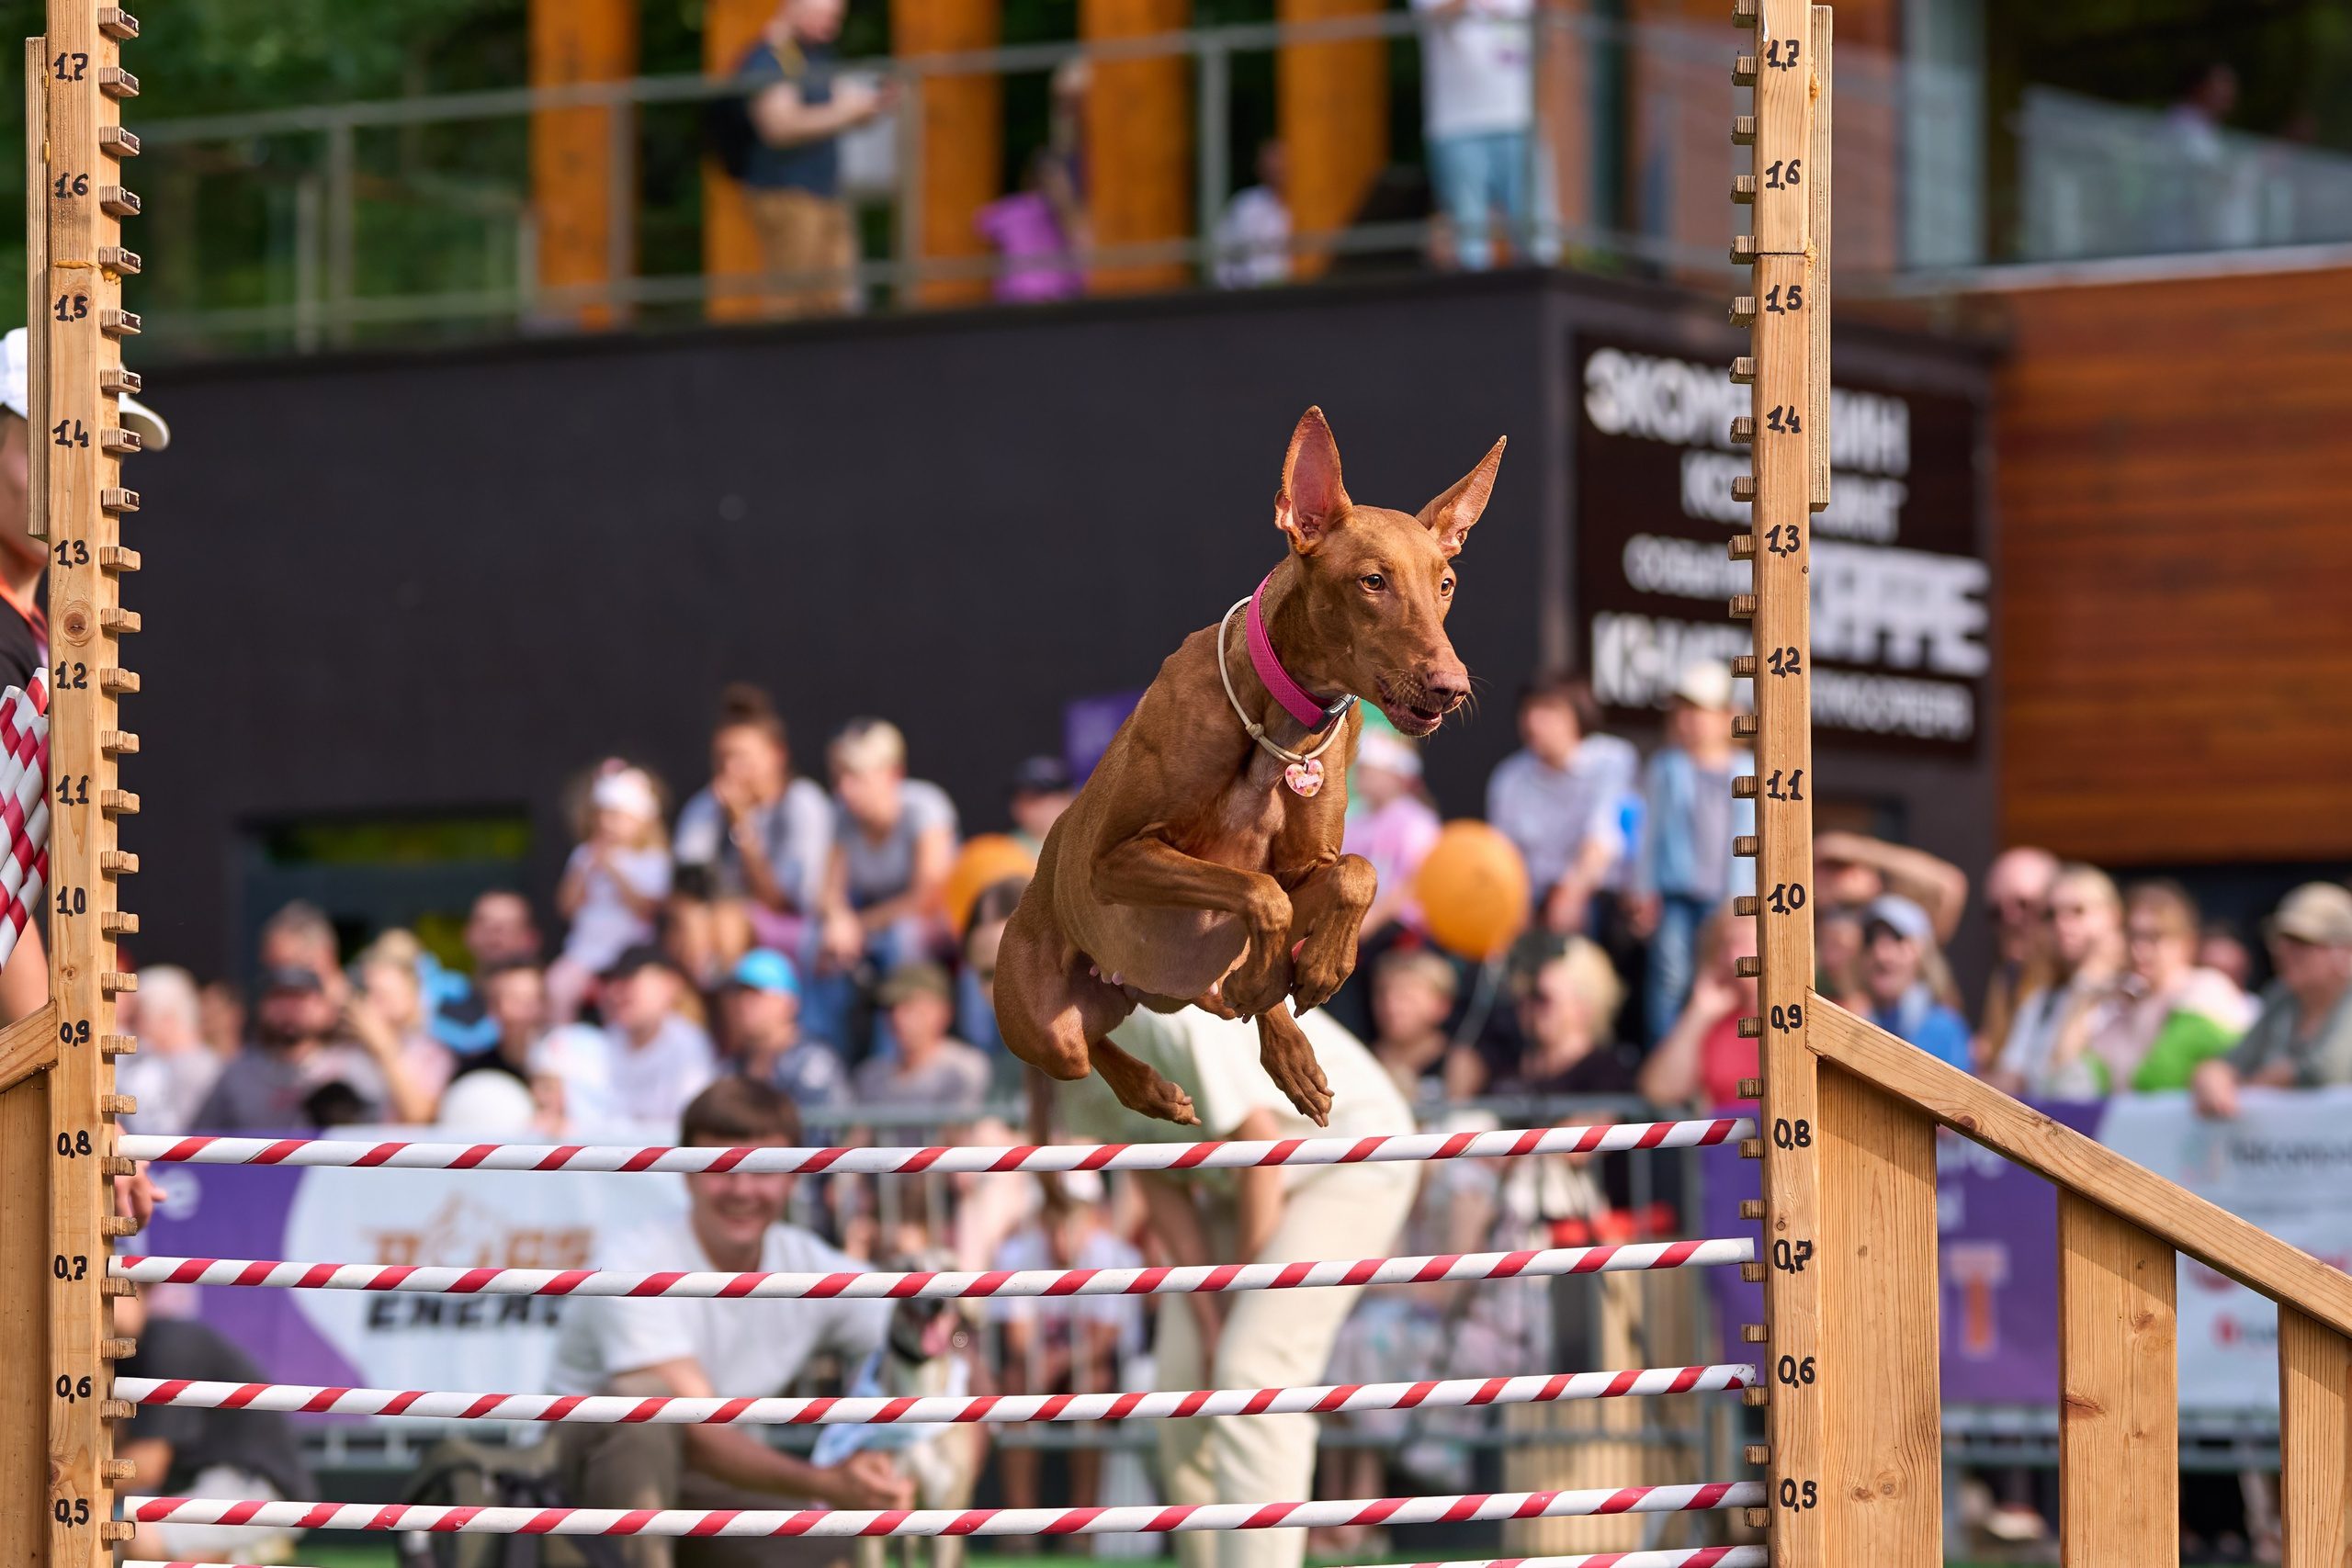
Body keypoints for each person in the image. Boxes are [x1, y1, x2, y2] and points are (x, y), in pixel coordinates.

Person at [1051, 1004, 1416, 1568]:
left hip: (1351, 1154)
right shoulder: (1066, 1039)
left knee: (1252, 1375)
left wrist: (1239, 1302)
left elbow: (1260, 1149)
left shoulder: (1174, 1017)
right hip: (1239, 1179)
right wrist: (1209, 1316)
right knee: (1181, 1387)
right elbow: (1153, 1172)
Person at [549, 1078, 914, 1568]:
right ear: (686, 1174)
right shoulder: (631, 1262)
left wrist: (958, 1351)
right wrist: (828, 1483)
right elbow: (698, 1429)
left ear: (793, 1178)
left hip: (711, 1486)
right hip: (573, 1491)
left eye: (763, 1170)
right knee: (643, 1405)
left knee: (830, 1551)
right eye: (721, 1168)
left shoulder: (806, 1262)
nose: (742, 1188)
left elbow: (933, 1330)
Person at [0, 327, 166, 1023]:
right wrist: (51, 1057)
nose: (84, 477)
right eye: (56, 446)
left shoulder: (39, 632)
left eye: (104, 452)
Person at [115, 1286, 314, 1566]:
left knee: (130, 1536)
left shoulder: (170, 1346)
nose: (99, 1305)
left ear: (141, 1291)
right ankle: (240, 1555)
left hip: (255, 1486)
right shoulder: (121, 1355)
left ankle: (246, 1551)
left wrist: (65, 1484)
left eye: (112, 1292)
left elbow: (147, 1464)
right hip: (203, 1484)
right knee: (118, 1532)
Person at [988, 1168, 1144, 1515]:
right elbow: (1019, 1340)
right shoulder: (1017, 1255)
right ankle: (1019, 1525)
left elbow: (1104, 1344)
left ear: (1091, 1217)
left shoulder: (1112, 1258)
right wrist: (1044, 1362)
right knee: (1016, 1386)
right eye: (1055, 1214)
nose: (1062, 1232)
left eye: (1071, 1214)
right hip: (1046, 1366)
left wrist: (1056, 1362)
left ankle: (1082, 1523)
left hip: (1086, 1370)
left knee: (1094, 1385)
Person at [730, 0, 895, 318]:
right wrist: (845, 113)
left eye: (836, 18)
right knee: (792, 304)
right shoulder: (770, 57)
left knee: (833, 302)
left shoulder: (813, 55)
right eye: (823, 16)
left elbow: (838, 105)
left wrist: (870, 106)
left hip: (826, 191)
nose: (831, 27)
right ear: (793, 7)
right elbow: (779, 126)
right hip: (786, 193)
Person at [672, 684, 835, 988]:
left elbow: (783, 902)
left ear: (776, 755)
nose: (730, 770)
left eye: (741, 758)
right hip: (711, 930)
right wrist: (690, 917)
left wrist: (742, 827)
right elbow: (685, 884)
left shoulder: (803, 803)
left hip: (793, 932)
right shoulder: (705, 806)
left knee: (729, 922)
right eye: (721, 759)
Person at [817, 717, 957, 1049]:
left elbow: (926, 897)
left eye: (857, 777)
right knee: (817, 941)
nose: (844, 789)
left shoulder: (926, 807)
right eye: (839, 778)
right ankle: (825, 1053)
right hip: (875, 927)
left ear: (893, 773)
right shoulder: (842, 814)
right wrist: (836, 919)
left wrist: (855, 925)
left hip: (935, 926)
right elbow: (829, 890)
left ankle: (890, 1055)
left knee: (903, 935)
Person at [1631, 661, 1753, 1043]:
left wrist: (1745, 902)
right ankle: (1666, 1057)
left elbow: (1751, 840)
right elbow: (1647, 833)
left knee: (1722, 980)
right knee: (1670, 976)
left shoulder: (1748, 768)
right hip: (1676, 895)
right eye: (1684, 711)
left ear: (1726, 716)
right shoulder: (1666, 767)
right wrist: (1642, 889)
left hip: (1728, 900)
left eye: (1700, 710)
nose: (1690, 720)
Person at [1486, 672, 1638, 941]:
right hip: (1530, 903)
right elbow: (1503, 854)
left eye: (1548, 711)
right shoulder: (1508, 777)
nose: (1534, 722)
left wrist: (1571, 893)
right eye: (1528, 710)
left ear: (1578, 716)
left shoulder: (1613, 760)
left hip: (1599, 902)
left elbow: (1603, 840)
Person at [2192, 884, 2352, 1119]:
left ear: (2345, 951)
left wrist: (2258, 1083)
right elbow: (2233, 1061)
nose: (2282, 950)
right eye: (2279, 939)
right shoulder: (2281, 997)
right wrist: (2212, 1074)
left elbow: (2326, 1072)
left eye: (2302, 941)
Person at [2083, 880, 2254, 1094]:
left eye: (2153, 937)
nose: (2139, 949)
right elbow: (2070, 1080)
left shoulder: (2205, 987)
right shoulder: (2124, 1006)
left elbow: (2158, 1079)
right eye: (2132, 936)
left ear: (2186, 941)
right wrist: (2086, 994)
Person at [533, 945, 718, 1141]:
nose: (616, 991)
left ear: (669, 985)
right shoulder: (600, 1043)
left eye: (630, 980)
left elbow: (685, 1129)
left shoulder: (688, 1045)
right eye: (612, 981)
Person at [191, 965, 404, 1130]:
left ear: (323, 1007)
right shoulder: (237, 1074)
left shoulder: (354, 1069)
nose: (290, 1008)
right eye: (280, 997)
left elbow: (380, 1136)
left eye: (300, 998)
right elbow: (200, 1142)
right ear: (263, 1006)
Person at [1409, 0, 1533, 270]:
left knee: (1531, 233)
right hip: (1456, 123)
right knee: (1469, 241)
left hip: (1517, 118)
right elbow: (1431, 15)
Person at [548, 761, 673, 1022]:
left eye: (616, 816)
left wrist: (613, 870)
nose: (606, 823)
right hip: (583, 953)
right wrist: (584, 872)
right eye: (602, 815)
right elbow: (566, 907)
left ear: (640, 821)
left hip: (629, 954)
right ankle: (562, 1045)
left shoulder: (653, 859)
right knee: (556, 987)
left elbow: (646, 908)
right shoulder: (583, 855)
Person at [1990, 863, 2123, 1100]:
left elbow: (2068, 1075)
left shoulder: (2134, 994)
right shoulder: (2041, 1002)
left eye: (2078, 911)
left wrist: (2092, 979)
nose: (2062, 924)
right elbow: (2010, 1078)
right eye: (2052, 915)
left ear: (2113, 916)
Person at [1486, 938, 1642, 1098]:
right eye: (1524, 996)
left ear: (1584, 1007)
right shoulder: (1506, 1066)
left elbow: (1599, 1118)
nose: (1529, 1006)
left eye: (1543, 998)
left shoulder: (1607, 1075)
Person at [1637, 901, 1756, 1108]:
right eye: (1725, 945)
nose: (1731, 958)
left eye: (1743, 944)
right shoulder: (1715, 1021)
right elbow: (1660, 1091)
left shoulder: (1807, 1012)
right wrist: (1698, 1013)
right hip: (1729, 1136)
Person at [1344, 728, 1442, 946]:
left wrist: (1371, 921)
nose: (1359, 773)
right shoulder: (1353, 818)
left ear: (1396, 776)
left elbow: (1414, 883)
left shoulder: (1416, 822)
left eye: (1368, 769)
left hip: (1403, 937)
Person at [851, 962, 990, 1113]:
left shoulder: (964, 1069)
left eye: (910, 1007)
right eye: (890, 1008)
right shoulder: (870, 1077)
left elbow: (960, 1134)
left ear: (943, 1012)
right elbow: (858, 1135)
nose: (897, 1018)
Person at [724, 947, 850, 1113]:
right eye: (738, 994)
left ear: (789, 1002)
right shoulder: (734, 1065)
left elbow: (826, 1134)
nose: (743, 1003)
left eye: (756, 993)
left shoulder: (812, 1061)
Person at [348, 930, 456, 1120]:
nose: (373, 1003)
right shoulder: (345, 1050)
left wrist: (384, 1049)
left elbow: (419, 1116)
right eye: (369, 992)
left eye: (384, 995)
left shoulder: (433, 1054)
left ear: (412, 995)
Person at [1857, 896, 1973, 1072]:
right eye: (1871, 940)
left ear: (1922, 954)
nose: (1880, 954)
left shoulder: (1942, 1028)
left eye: (1897, 939)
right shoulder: (1857, 1020)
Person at [425, 890, 544, 1055]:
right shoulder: (441, 1002)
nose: (493, 933)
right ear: (467, 933)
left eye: (507, 926)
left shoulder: (558, 1005)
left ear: (530, 937)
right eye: (484, 923)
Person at [1974, 848, 2060, 1069]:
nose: (2010, 919)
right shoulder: (2006, 977)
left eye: (2024, 904)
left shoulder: (2078, 983)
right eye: (1996, 912)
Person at [115, 967, 222, 1136]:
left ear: (167, 1019)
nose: (135, 1026)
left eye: (139, 1017)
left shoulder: (201, 1069)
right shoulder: (149, 1062)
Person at [1813, 830, 1970, 946]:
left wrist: (1861, 851)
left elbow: (1951, 884)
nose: (1834, 880)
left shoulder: (1883, 917)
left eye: (1842, 868)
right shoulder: (1833, 928)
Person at [1366, 946, 1461, 1100]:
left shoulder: (1458, 1063)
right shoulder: (1362, 1058)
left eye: (1407, 998)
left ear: (1442, 1005)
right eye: (1383, 995)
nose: (1392, 1007)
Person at [1213, 140, 1293, 288]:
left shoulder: (1311, 207)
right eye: (1271, 165)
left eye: (1281, 162)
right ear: (1259, 168)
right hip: (1254, 297)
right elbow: (1223, 256)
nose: (1276, 168)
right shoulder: (1245, 207)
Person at [1006, 755, 1074, 858]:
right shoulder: (1005, 848)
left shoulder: (1089, 842)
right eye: (1023, 797)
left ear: (1066, 797)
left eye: (1040, 796)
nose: (1031, 807)